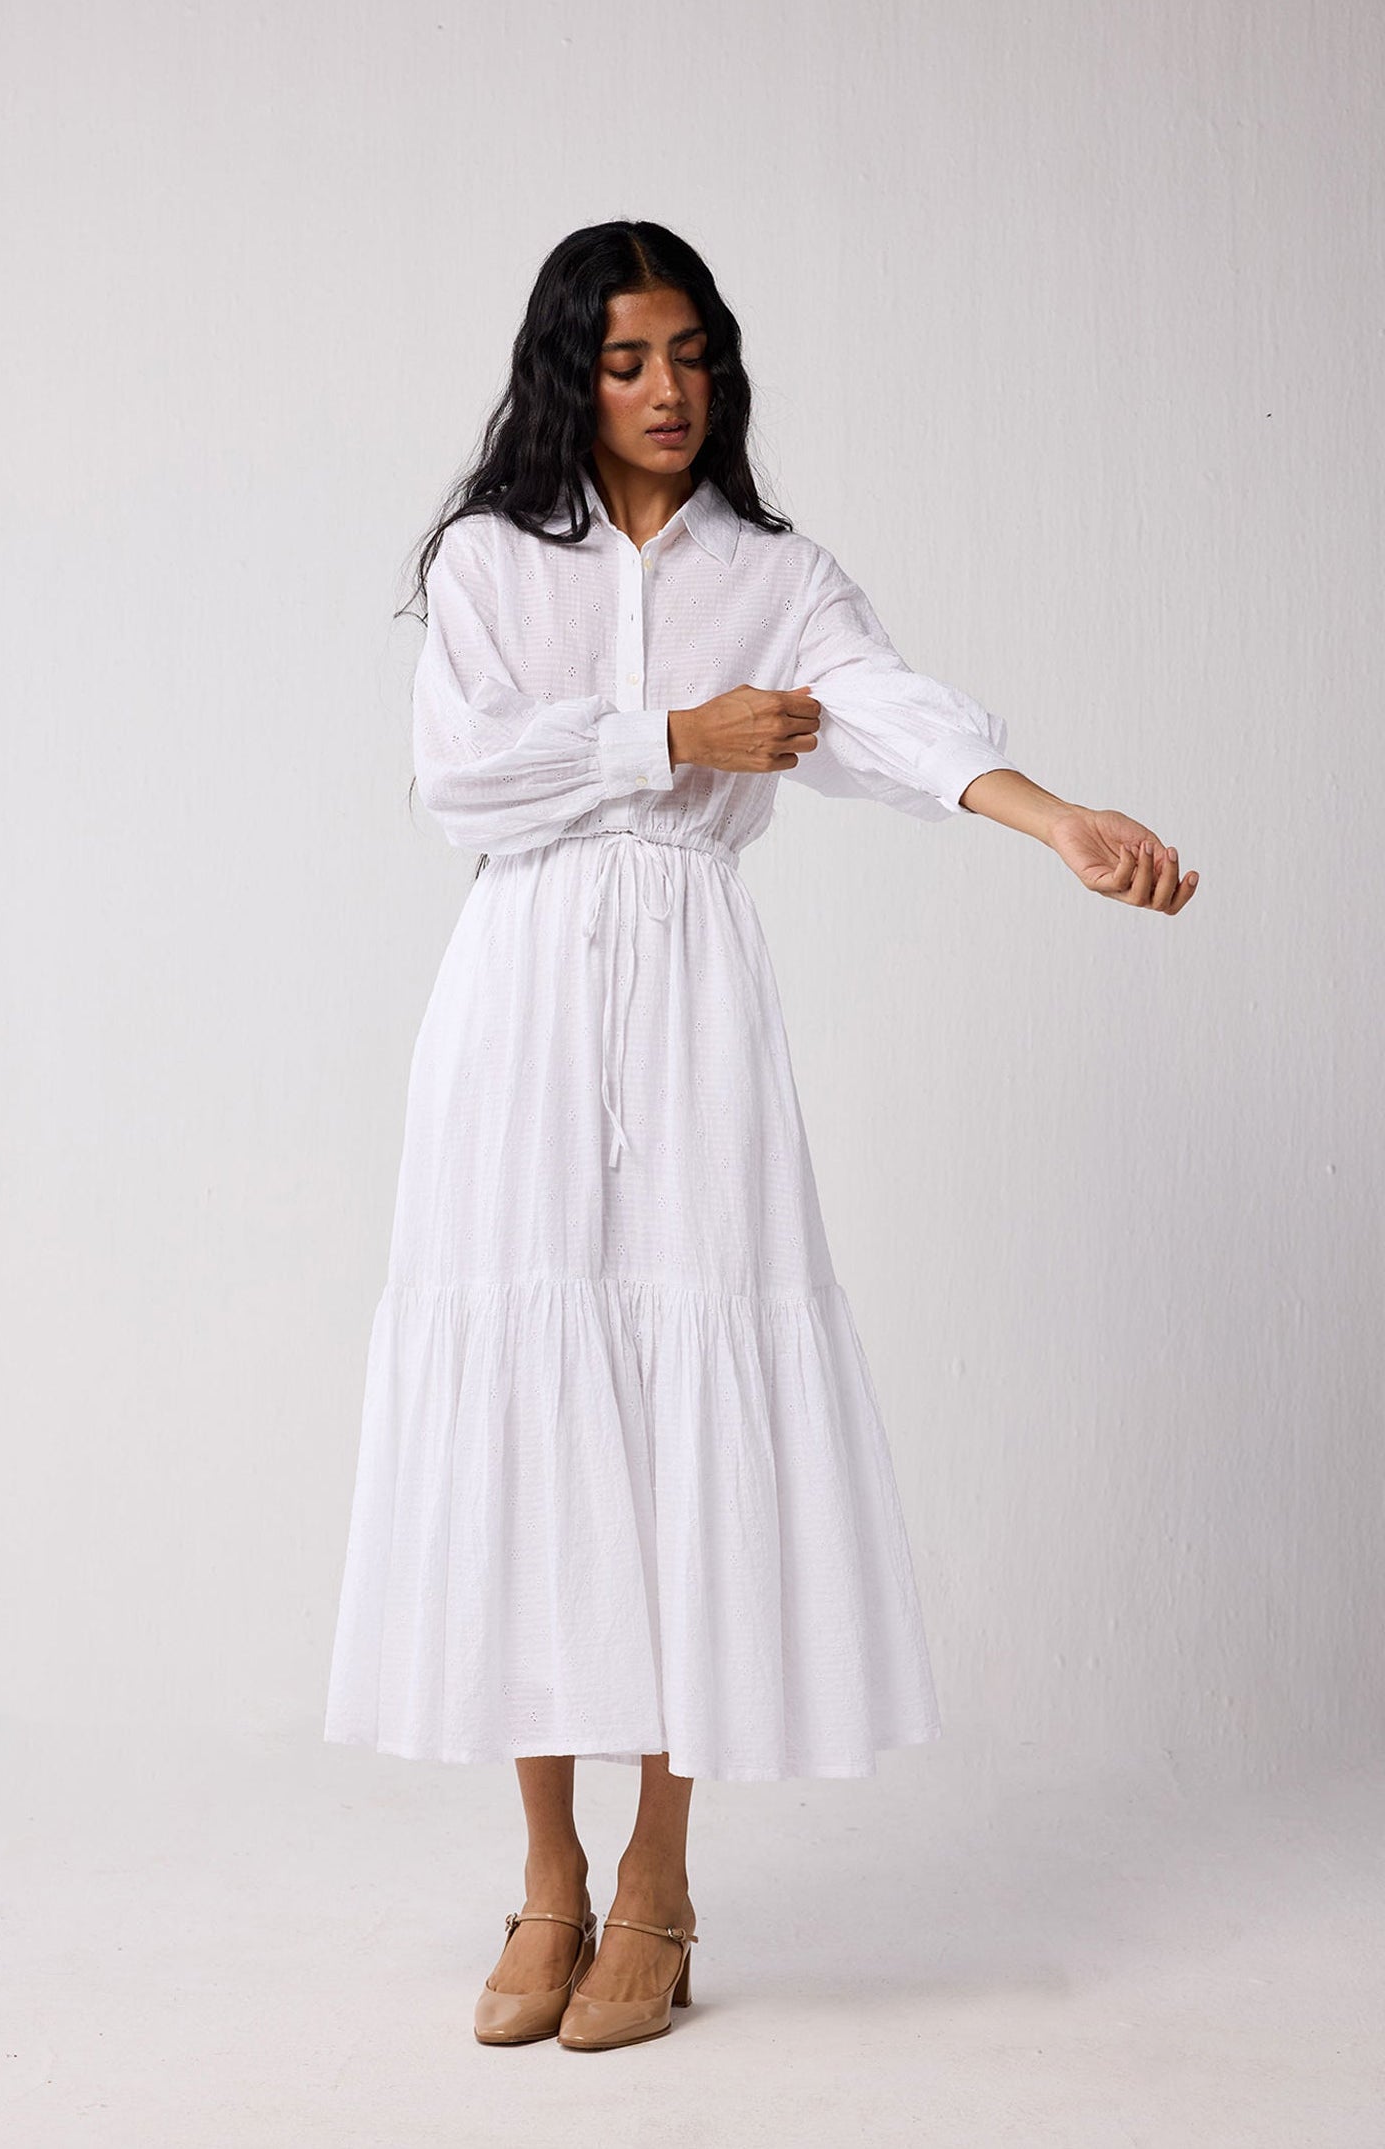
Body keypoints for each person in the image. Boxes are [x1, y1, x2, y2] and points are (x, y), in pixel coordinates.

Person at [323, 219, 1198, 2054]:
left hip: (695, 999)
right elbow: (457, 773)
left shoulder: (774, 572)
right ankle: (544, 1879)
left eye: (693, 355)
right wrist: (674, 734)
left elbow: (889, 719)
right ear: (572, 370)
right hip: (520, 998)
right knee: (531, 1402)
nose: (665, 392)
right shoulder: (492, 559)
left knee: (681, 1403)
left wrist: (1057, 822)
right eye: (629, 360)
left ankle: (660, 1880)